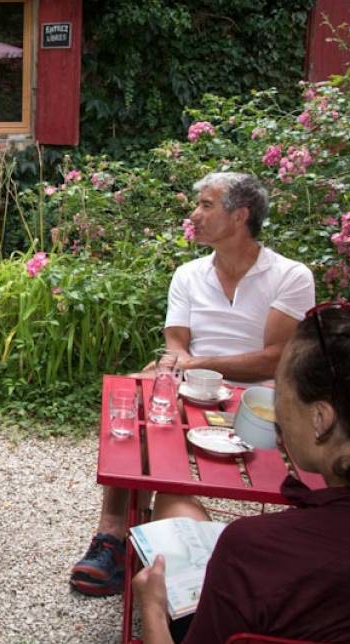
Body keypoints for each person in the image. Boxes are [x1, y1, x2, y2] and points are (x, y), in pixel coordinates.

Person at [134, 308, 350, 643]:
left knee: (174, 510)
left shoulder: (251, 549)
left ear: (320, 419)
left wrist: (151, 607)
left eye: (280, 392)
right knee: (177, 504)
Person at [70, 172, 315, 596]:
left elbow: (277, 358)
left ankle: (181, 536)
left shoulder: (291, 275)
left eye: (205, 205)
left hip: (262, 396)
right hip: (192, 383)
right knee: (129, 393)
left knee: (159, 386)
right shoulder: (188, 273)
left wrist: (197, 365)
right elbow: (175, 343)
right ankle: (113, 535)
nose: (194, 214)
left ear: (239, 216)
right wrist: (182, 368)